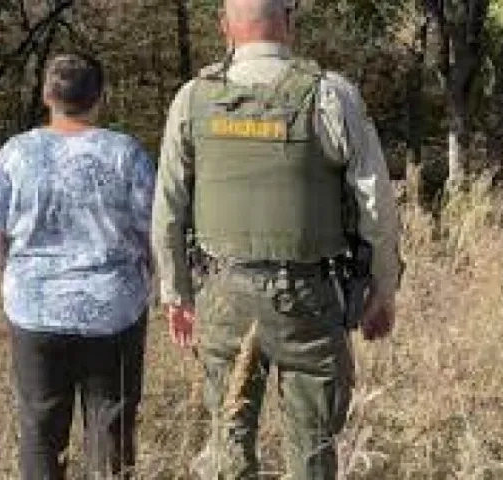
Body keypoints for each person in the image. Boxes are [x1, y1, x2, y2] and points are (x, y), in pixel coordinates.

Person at [151, 0, 402, 478]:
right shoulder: (331, 95)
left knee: (228, 439)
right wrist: (382, 288)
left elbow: (168, 209)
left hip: (222, 292)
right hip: (308, 296)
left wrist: (175, 292)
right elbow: (376, 204)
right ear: (288, 24)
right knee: (312, 446)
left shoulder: (192, 99)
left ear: (225, 27)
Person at [0, 54, 155, 479]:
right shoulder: (124, 152)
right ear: (100, 96)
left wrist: (10, 269)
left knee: (39, 427)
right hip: (113, 309)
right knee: (110, 426)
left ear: (46, 95)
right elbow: (154, 227)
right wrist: (151, 274)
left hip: (35, 309)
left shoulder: (17, 151)